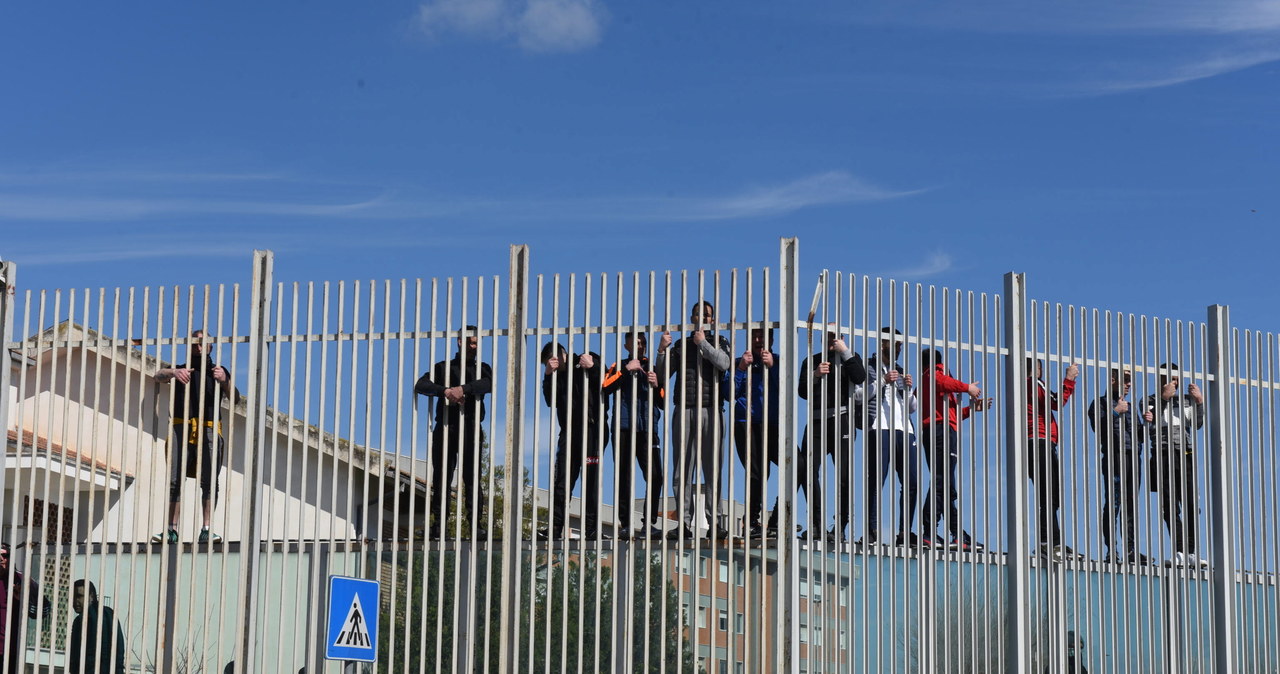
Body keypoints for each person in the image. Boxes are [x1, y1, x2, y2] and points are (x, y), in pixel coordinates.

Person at [153, 329, 240, 544]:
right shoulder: (182, 369)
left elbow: (235, 398)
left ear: (210, 346)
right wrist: (173, 372)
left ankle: (207, 528)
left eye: (203, 343)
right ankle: (172, 529)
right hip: (180, 427)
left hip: (210, 427)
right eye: (195, 343)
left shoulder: (218, 371)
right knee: (175, 480)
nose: (198, 347)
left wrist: (225, 380)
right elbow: (157, 375)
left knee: (210, 481)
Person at [657, 301, 733, 540]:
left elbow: (724, 363)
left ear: (712, 319)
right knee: (682, 471)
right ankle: (684, 524)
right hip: (685, 408)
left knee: (712, 470)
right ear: (691, 317)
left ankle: (715, 522)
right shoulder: (681, 345)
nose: (701, 317)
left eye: (706, 314)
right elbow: (661, 376)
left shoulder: (720, 341)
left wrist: (704, 344)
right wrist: (661, 351)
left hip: (712, 409)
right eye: (697, 314)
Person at [414, 325, 494, 539]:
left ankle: (475, 525)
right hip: (446, 427)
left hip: (470, 426)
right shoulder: (443, 368)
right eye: (471, 342)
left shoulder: (482, 368)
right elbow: (421, 385)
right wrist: (446, 391)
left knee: (472, 477)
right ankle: (439, 525)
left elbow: (489, 383)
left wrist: (464, 389)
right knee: (441, 476)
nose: (474, 346)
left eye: (477, 343)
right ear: (460, 341)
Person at [796, 327, 866, 542]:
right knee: (807, 471)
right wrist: (816, 375)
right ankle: (817, 524)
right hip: (816, 420)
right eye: (827, 335)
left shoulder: (850, 358)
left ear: (842, 338)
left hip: (842, 419)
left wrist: (845, 352)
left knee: (844, 476)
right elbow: (802, 392)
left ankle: (840, 527)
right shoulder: (812, 360)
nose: (831, 339)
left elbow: (860, 377)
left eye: (835, 335)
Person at [856, 327, 921, 548]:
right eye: (896, 345)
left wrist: (910, 389)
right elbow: (858, 395)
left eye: (901, 345)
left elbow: (912, 408)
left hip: (905, 429)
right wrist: (883, 380)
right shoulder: (868, 366)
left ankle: (904, 532)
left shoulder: (901, 370)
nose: (899, 349)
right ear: (884, 344)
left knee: (912, 481)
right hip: (880, 426)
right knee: (876, 480)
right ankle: (872, 530)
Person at [918, 348, 987, 551]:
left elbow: (950, 412)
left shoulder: (928, 381)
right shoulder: (934, 374)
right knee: (942, 480)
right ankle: (930, 531)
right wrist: (967, 388)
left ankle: (957, 534)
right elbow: (942, 381)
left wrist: (970, 409)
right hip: (941, 431)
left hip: (937, 429)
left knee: (945, 484)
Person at [541, 342, 609, 539]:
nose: (551, 365)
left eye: (551, 361)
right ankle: (555, 528)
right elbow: (549, 400)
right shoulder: (557, 376)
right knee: (562, 481)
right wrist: (547, 376)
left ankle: (591, 529)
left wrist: (593, 367)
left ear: (560, 355)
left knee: (591, 481)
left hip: (592, 431)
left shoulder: (586, 359)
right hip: (568, 434)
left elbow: (607, 383)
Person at [1142, 363, 1207, 568]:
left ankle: (1191, 552)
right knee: (1169, 505)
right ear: (1161, 378)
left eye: (1177, 379)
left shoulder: (1185, 400)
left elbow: (1196, 424)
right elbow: (1150, 424)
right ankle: (1179, 551)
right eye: (1170, 378)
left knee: (1190, 504)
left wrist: (1199, 402)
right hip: (1161, 454)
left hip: (1184, 453)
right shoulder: (1150, 400)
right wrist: (1163, 398)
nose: (1175, 383)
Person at [602, 331, 666, 540]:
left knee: (656, 476)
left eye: (643, 342)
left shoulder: (652, 369)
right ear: (626, 346)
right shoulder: (618, 366)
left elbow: (664, 402)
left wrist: (657, 385)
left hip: (648, 429)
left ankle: (649, 524)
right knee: (624, 477)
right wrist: (625, 372)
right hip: (623, 427)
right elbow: (604, 387)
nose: (640, 346)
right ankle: (626, 524)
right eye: (635, 342)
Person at [1087, 368, 1147, 565]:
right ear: (1113, 380)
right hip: (1114, 456)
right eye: (1126, 380)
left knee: (1130, 504)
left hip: (1133, 456)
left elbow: (1139, 435)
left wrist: (1146, 424)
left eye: (1130, 381)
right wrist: (1115, 411)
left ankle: (1130, 550)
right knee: (1113, 503)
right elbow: (1098, 427)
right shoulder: (1100, 403)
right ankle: (1111, 550)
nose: (1129, 384)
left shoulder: (1129, 406)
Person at [1026, 358, 1081, 561]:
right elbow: (1057, 402)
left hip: (1034, 443)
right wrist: (1069, 379)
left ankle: (1053, 540)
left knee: (1048, 495)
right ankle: (1046, 542)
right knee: (1049, 495)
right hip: (1040, 442)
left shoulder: (1021, 386)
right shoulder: (1034, 383)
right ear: (1037, 369)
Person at [732, 327, 782, 538]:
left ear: (771, 339)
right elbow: (729, 393)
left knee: (798, 465)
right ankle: (751, 522)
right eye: (754, 336)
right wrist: (742, 368)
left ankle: (777, 519)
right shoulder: (740, 361)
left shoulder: (779, 360)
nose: (759, 340)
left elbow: (788, 389)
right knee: (758, 473)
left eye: (763, 336)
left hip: (773, 424)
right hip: (746, 423)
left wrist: (772, 367)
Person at [0, 543, 49, 673]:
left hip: (11, 651)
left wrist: (23, 602)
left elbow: (45, 610)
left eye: (5, 555)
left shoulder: (23, 580)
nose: (1, 558)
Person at [68, 580, 126, 674]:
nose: (75, 601)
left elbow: (76, 658)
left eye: (79, 596)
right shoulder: (108, 614)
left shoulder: (105, 616)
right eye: (73, 597)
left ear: (91, 596)